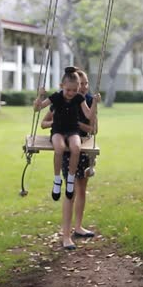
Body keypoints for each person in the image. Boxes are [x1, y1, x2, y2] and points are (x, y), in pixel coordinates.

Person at [40, 68, 97, 249]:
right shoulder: (61, 100)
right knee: (69, 192)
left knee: (82, 189)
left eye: (85, 83)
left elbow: (94, 130)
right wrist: (59, 121)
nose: (84, 87)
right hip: (67, 148)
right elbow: (43, 123)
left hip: (83, 149)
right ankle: (66, 236)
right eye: (81, 84)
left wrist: (79, 123)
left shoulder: (85, 101)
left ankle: (78, 227)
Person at [34, 67, 99, 204]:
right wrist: (40, 96)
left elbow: (88, 115)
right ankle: (57, 180)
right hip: (57, 130)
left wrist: (94, 103)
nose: (71, 93)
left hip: (72, 130)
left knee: (76, 147)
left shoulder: (79, 98)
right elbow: (37, 108)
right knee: (59, 148)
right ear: (62, 86)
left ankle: (70, 178)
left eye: (74, 90)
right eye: (68, 90)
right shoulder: (56, 97)